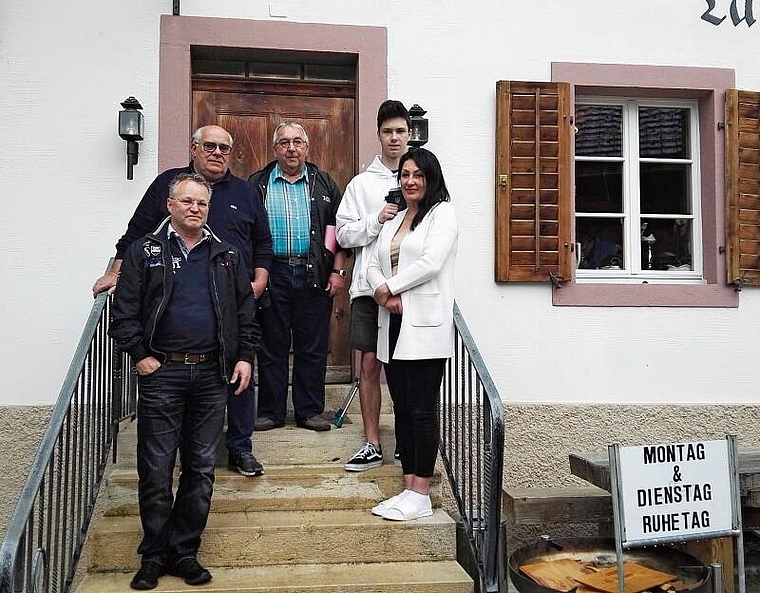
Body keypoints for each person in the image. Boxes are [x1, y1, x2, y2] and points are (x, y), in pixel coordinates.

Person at [93, 125, 272, 478]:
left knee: (239, 373)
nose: (217, 153)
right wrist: (117, 271)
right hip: (181, 309)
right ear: (193, 148)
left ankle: (240, 448)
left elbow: (262, 240)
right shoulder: (168, 184)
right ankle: (177, 457)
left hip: (233, 299)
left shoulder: (245, 191)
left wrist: (261, 278)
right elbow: (137, 231)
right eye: (210, 146)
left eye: (224, 147)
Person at [109, 173, 259, 589]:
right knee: (156, 468)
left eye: (202, 203)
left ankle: (184, 551)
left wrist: (244, 357)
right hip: (163, 374)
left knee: (200, 468)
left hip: (212, 375)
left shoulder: (227, 255)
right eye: (187, 201)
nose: (196, 208)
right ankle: (154, 554)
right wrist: (141, 356)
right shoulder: (145, 252)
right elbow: (124, 313)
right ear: (170, 206)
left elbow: (245, 313)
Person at [366, 148, 458, 521]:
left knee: (421, 409)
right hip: (393, 323)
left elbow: (431, 263)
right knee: (401, 407)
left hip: (424, 324)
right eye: (404, 175)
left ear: (430, 177)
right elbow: (373, 261)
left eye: (417, 174)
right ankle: (407, 488)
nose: (409, 181)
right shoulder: (396, 218)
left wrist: (391, 288)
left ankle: (421, 491)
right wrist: (381, 292)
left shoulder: (443, 214)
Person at [248, 122, 347, 432]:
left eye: (297, 142)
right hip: (271, 272)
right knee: (271, 344)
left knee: (312, 345)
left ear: (307, 147)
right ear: (275, 148)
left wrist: (338, 270)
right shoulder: (258, 183)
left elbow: (339, 232)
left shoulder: (324, 184)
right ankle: (271, 411)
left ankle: (309, 411)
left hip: (313, 272)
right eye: (284, 143)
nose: (291, 148)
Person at [336, 100, 410, 471]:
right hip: (367, 289)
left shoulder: (420, 178)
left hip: (407, 289)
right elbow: (344, 235)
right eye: (387, 132)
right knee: (369, 364)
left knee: (404, 365)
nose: (394, 138)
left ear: (409, 134)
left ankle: (404, 441)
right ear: (378, 135)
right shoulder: (361, 184)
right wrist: (376, 219)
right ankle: (371, 442)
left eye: (400, 131)